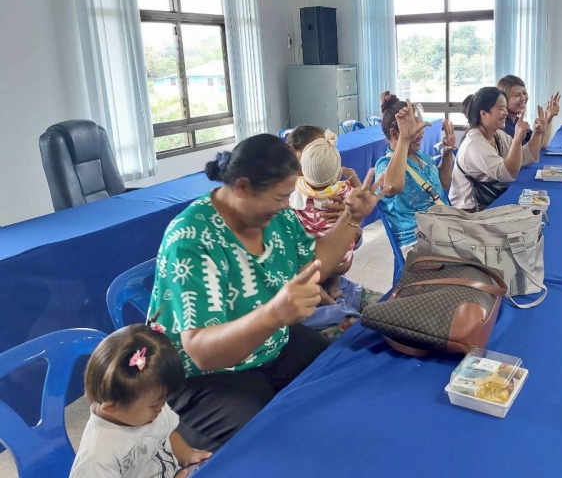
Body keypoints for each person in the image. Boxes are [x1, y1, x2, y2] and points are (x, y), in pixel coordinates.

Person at [146, 134, 387, 451]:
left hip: (269, 343)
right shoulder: (191, 239)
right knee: (271, 441)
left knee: (338, 376)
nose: (287, 205)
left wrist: (351, 217)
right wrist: (274, 314)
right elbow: (202, 352)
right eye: (279, 197)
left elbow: (315, 263)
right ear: (242, 187)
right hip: (201, 377)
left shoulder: (278, 218)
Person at [70, 323, 212, 478]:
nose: (161, 407)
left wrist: (187, 455)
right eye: (154, 405)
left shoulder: (148, 408)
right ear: (111, 408)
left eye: (163, 399)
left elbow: (167, 433)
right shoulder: (96, 461)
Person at [376, 93, 456, 249]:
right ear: (395, 134)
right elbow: (392, 186)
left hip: (443, 227)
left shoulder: (421, 156)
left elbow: (443, 185)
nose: (421, 134)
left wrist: (447, 153)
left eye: (421, 127)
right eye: (415, 129)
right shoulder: (384, 165)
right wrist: (405, 139)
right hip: (416, 240)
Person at [290, 135, 360, 304]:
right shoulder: (343, 190)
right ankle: (334, 288)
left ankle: (322, 292)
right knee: (345, 240)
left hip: (310, 255)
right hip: (340, 257)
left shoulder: (295, 188)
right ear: (338, 173)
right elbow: (363, 197)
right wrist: (352, 176)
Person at [450, 87, 544, 211]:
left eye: (505, 107)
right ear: (483, 114)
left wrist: (537, 133)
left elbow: (524, 157)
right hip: (471, 213)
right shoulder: (474, 144)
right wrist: (517, 140)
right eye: (501, 108)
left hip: (490, 203)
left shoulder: (497, 135)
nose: (506, 113)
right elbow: (507, 174)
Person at [496, 75, 561, 149]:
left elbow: (541, 145)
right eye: (517, 95)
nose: (523, 98)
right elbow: (529, 152)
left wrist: (548, 118)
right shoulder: (505, 127)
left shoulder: (516, 120)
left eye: (524, 93)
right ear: (503, 99)